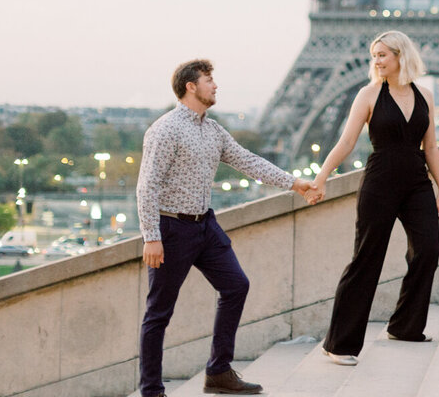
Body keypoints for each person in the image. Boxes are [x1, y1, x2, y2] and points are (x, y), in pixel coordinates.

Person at [136, 59, 320, 397]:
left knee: (236, 286)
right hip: (172, 229)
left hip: (205, 226)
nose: (215, 85)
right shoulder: (165, 129)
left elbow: (248, 161)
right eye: (208, 79)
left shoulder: (213, 129)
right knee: (158, 313)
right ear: (190, 86)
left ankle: (218, 371)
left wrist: (295, 184)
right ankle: (151, 390)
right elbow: (147, 185)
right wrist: (152, 236)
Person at [310, 30, 439, 366]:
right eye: (374, 55)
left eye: (382, 55)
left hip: (417, 182)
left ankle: (405, 326)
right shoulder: (369, 94)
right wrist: (320, 178)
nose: (376, 61)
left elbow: (430, 146)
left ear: (401, 55)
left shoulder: (425, 95)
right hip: (380, 182)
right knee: (366, 259)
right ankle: (338, 344)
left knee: (427, 251)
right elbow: (345, 143)